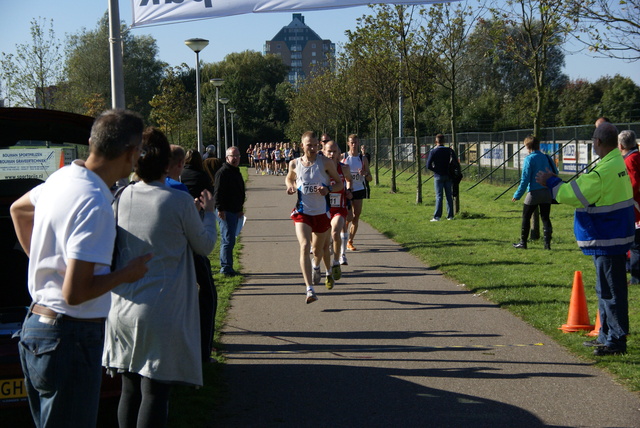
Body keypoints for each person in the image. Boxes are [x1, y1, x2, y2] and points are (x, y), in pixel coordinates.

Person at [9, 109, 151, 428]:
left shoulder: (62, 178)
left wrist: (42, 261)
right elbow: (75, 293)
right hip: (70, 335)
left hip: (36, 326)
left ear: (91, 143)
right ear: (131, 153)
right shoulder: (95, 202)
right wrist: (125, 274)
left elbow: (18, 210)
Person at [103, 127, 217, 427]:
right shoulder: (177, 201)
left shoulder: (121, 196)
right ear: (166, 162)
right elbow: (204, 245)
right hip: (161, 309)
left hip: (123, 307)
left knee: (129, 390)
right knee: (154, 392)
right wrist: (210, 214)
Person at [537, 122, 634, 356]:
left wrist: (551, 181)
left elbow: (574, 194)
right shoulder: (615, 162)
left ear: (597, 142)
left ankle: (616, 341)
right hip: (614, 235)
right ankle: (606, 335)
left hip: (607, 237)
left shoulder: (605, 170)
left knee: (610, 292)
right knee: (606, 290)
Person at [286, 131, 343, 304]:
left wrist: (328, 190)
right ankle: (309, 289)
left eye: (315, 145)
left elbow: (339, 183)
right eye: (308, 145)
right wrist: (290, 186)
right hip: (303, 213)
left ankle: (318, 267)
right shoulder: (294, 163)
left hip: (321, 213)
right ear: (301, 146)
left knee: (318, 250)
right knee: (304, 245)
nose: (312, 148)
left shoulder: (324, 162)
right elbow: (289, 178)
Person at [511, 136, 558, 249]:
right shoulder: (546, 157)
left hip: (533, 193)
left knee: (526, 217)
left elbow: (525, 179)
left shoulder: (529, 159)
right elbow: (555, 171)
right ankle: (547, 244)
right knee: (545, 217)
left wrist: (517, 195)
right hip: (546, 191)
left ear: (527, 146)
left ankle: (523, 243)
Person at [323, 140, 352, 282]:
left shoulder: (344, 168)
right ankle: (320, 266)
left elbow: (349, 180)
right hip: (323, 209)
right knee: (324, 241)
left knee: (335, 231)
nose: (332, 154)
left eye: (334, 151)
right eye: (329, 151)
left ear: (339, 153)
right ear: (323, 152)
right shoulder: (320, 169)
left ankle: (336, 261)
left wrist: (349, 191)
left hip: (339, 208)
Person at [214, 146, 246, 276]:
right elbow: (218, 193)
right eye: (233, 156)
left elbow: (239, 191)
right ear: (227, 157)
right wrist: (220, 209)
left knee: (231, 239)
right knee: (227, 240)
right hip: (225, 211)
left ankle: (228, 266)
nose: (236, 158)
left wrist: (239, 209)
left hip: (234, 210)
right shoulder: (223, 172)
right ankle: (226, 268)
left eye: (237, 156)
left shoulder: (235, 171)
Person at [619, 130, 640, 284]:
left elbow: (634, 183)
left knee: (635, 245)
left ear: (620, 145)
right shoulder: (636, 157)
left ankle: (635, 277)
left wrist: (624, 196)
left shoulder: (630, 160)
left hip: (635, 207)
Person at [343, 134, 371, 251]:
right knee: (348, 217)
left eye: (355, 142)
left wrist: (365, 174)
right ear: (348, 144)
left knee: (356, 216)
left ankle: (350, 241)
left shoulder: (362, 158)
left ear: (358, 143)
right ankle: (342, 233)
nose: (354, 145)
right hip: (347, 190)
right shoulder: (343, 157)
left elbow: (370, 178)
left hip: (359, 189)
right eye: (351, 143)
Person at [426, 134, 457, 221]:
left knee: (439, 196)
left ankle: (437, 216)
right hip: (448, 175)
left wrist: (435, 169)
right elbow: (455, 163)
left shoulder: (433, 151)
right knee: (449, 196)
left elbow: (428, 165)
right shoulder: (449, 150)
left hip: (438, 175)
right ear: (444, 141)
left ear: (436, 142)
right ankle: (450, 215)